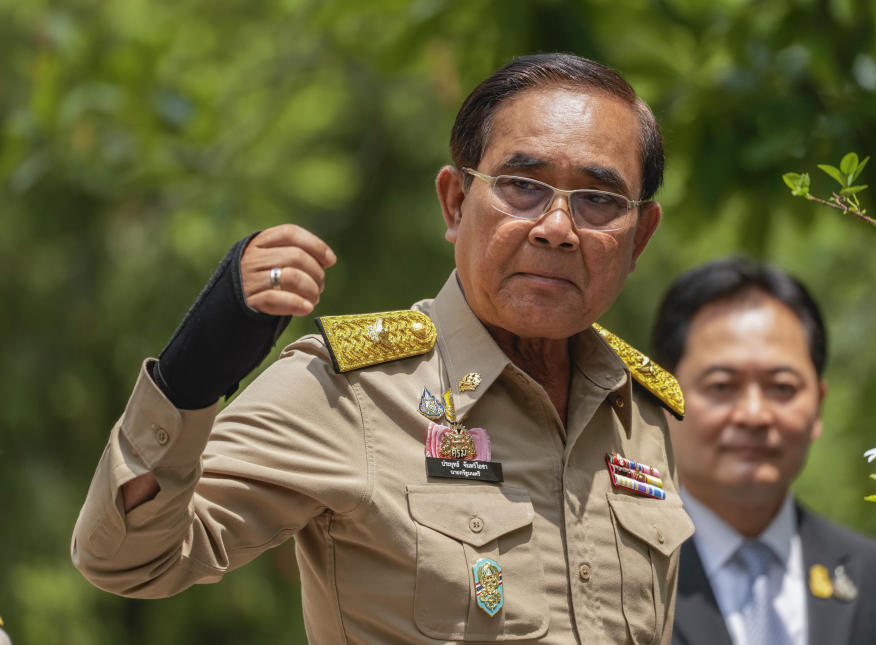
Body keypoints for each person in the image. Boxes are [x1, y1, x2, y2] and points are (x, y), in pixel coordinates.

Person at [72, 53, 695, 644]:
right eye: (522, 185)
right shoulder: (352, 392)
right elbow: (129, 560)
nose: (557, 227)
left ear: (639, 237)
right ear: (454, 202)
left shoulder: (642, 412)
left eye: (598, 200)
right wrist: (193, 372)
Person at [650, 257, 876, 645]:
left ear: (818, 406)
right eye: (722, 386)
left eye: (782, 387)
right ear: (659, 398)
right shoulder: (612, 579)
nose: (754, 415)